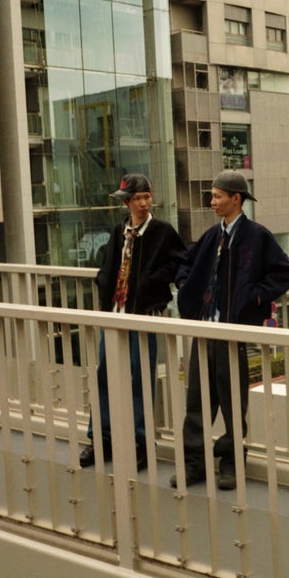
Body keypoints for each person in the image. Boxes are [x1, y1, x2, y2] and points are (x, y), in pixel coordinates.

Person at [170, 169, 289, 490]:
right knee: (197, 402)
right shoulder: (212, 235)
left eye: (217, 196)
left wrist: (254, 297)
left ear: (235, 199)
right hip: (205, 330)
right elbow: (185, 263)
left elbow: (285, 272)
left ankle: (232, 464)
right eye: (212, 196)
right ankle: (194, 465)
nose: (212, 202)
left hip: (233, 334)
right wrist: (185, 285)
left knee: (232, 403)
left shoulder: (257, 236)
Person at [79, 173, 186, 469]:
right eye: (137, 198)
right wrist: (103, 283)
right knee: (104, 375)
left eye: (146, 197)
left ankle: (142, 442)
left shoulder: (162, 231)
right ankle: (101, 439)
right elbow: (107, 266)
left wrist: (154, 280)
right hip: (115, 314)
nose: (143, 203)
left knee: (141, 380)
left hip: (144, 315)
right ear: (126, 202)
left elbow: (181, 261)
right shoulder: (119, 231)